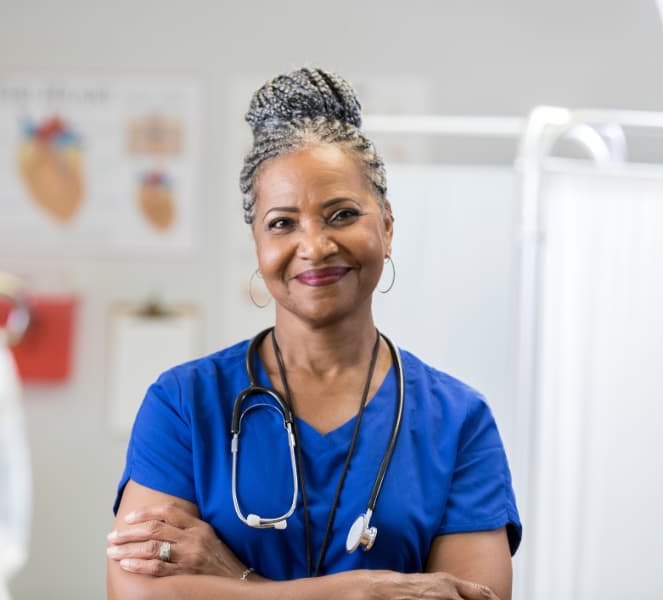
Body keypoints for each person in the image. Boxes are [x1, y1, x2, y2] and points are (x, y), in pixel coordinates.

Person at [107, 67, 522, 600]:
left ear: (387, 226)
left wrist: (234, 577)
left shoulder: (457, 422)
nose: (315, 245)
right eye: (282, 223)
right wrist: (360, 590)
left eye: (341, 214)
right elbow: (137, 595)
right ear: (258, 243)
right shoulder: (185, 403)